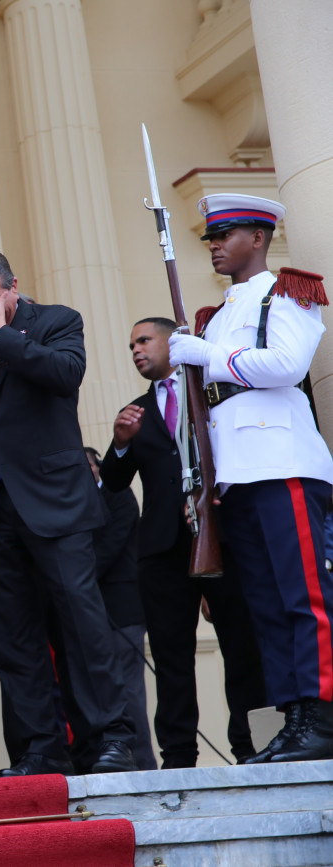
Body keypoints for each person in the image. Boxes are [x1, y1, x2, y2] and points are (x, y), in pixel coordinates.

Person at [0, 249, 138, 776]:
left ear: (13, 287)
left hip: (54, 502)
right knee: (12, 635)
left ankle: (109, 739)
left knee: (82, 623)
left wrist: (0, 335)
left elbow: (65, 375)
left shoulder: (56, 322)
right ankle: (42, 748)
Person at [168, 194, 333, 763]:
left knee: (303, 597)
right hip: (236, 475)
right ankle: (295, 719)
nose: (215, 245)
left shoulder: (287, 292)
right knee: (264, 604)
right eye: (211, 238)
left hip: (282, 463)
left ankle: (322, 713)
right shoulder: (218, 316)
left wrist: (207, 356)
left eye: (226, 235)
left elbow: (287, 365)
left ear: (258, 238)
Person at [102, 317, 265, 767]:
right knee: (172, 653)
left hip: (223, 536)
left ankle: (250, 745)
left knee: (241, 645)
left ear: (173, 342)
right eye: (131, 345)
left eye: (144, 340)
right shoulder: (135, 412)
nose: (136, 350)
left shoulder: (211, 392)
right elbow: (113, 483)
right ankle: (177, 755)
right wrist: (120, 444)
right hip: (162, 550)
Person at [81, 447, 156, 770]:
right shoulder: (74, 501)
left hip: (121, 610)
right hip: (90, 612)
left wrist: (74, 578)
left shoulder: (118, 495)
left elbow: (109, 547)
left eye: (86, 466)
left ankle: (142, 763)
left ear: (98, 467)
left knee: (128, 690)